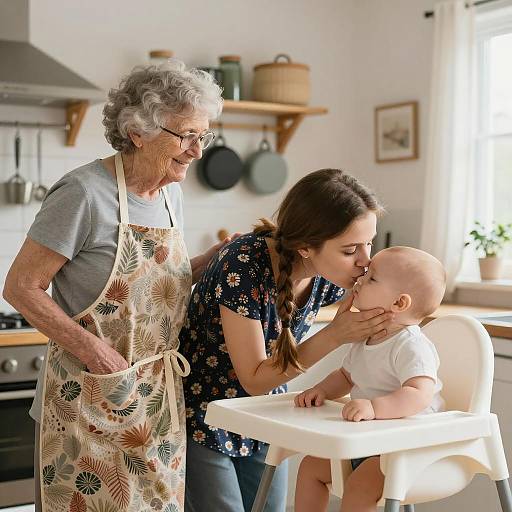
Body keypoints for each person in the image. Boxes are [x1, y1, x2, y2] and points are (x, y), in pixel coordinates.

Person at [2, 59, 225, 512]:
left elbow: (166, 281)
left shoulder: (171, 195)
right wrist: (94, 351)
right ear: (138, 131)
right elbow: (21, 287)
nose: (197, 151)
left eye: (204, 136)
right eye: (186, 136)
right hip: (90, 394)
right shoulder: (83, 192)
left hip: (157, 396)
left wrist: (214, 259)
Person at [180, 168, 396, 512]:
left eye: (369, 242)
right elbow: (254, 379)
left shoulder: (332, 276)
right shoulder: (244, 264)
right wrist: (336, 335)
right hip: (203, 417)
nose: (365, 260)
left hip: (264, 415)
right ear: (305, 247)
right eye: (351, 249)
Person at [294, 246, 447, 512]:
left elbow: (419, 393)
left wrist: (374, 407)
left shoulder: (410, 345)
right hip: (369, 440)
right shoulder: (367, 338)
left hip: (406, 447)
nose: (360, 280)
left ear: (399, 303)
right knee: (311, 467)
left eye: (372, 278)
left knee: (361, 485)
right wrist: (321, 390)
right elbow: (345, 376)